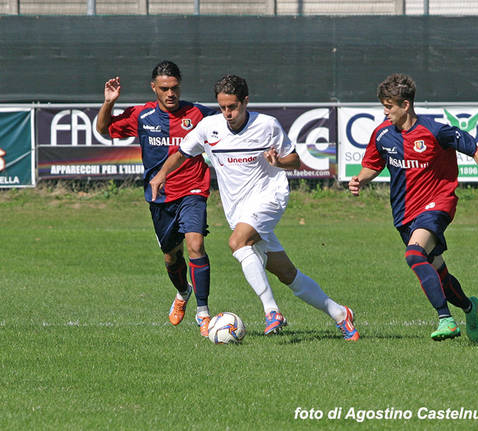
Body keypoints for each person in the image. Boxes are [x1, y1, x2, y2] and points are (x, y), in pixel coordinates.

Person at [150, 74, 359, 341]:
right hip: (239, 211)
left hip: (270, 197)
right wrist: (160, 176)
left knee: (237, 242)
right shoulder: (209, 127)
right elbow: (182, 153)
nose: (228, 113)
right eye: (223, 107)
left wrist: (278, 163)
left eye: (233, 106)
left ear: (246, 102)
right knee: (287, 274)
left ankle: (272, 311)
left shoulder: (267, 126)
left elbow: (294, 160)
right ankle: (341, 314)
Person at [349, 73, 478, 342]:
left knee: (414, 255)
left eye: (389, 106)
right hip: (404, 212)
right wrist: (360, 179)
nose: (385, 111)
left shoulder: (435, 131)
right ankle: (469, 307)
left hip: (438, 203)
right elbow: (372, 165)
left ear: (405, 105)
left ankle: (445, 319)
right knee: (439, 273)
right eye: (383, 105)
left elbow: (475, 149)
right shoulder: (381, 134)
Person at [96, 61, 217, 336]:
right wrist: (109, 103)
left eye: (174, 88)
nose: (170, 93)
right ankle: (182, 292)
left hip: (193, 190)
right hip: (160, 197)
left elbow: (229, 122)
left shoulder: (198, 114)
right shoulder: (142, 115)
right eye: (164, 88)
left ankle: (204, 313)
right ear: (154, 88)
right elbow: (104, 129)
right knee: (171, 257)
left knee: (195, 244)